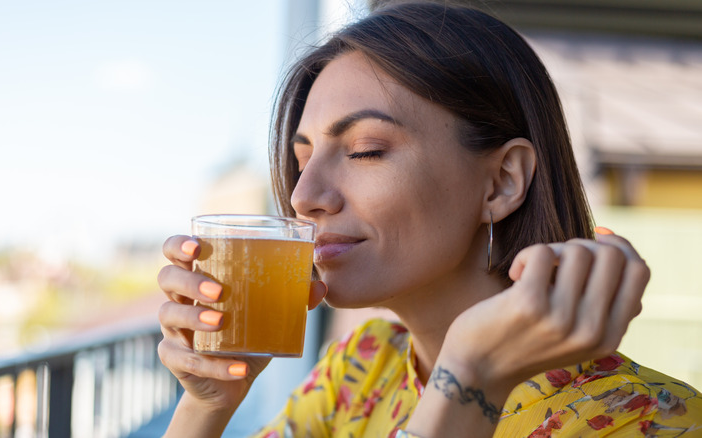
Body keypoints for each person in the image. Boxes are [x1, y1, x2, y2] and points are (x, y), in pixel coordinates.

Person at [156, 2, 702, 436]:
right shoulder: (363, 368)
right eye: (302, 160)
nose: (302, 197)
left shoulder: (647, 422)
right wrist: (207, 404)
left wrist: (470, 380)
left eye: (366, 150)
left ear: (502, 181)